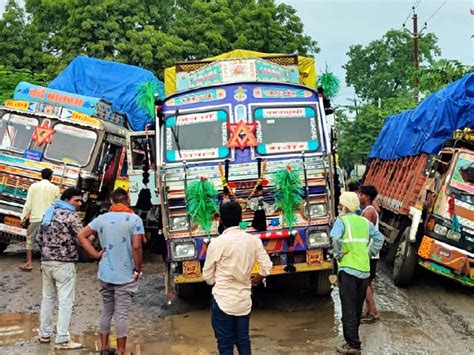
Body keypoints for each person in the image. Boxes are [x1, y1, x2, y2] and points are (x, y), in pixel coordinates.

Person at [78, 188, 144, 355]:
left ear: (112, 202)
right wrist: (138, 268)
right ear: (127, 200)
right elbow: (137, 247)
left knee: (107, 310)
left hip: (105, 272)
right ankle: (121, 351)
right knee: (121, 313)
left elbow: (81, 235)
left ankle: (105, 348)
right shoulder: (134, 219)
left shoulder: (101, 219)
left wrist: (94, 254)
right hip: (125, 273)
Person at [202, 200, 272, 355]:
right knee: (243, 341)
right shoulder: (253, 240)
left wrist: (217, 282)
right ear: (241, 219)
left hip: (222, 300)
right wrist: (254, 281)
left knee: (225, 344)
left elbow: (207, 275)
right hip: (244, 300)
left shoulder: (217, 243)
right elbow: (267, 268)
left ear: (220, 219)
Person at [331, 192, 384, 354]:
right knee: (356, 307)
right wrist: (368, 253)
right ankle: (353, 340)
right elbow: (379, 238)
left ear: (345, 206)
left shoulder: (341, 221)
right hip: (363, 271)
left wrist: (338, 254)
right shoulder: (364, 222)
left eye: (341, 204)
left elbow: (334, 239)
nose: (339, 207)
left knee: (348, 309)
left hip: (348, 270)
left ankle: (353, 345)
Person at [36, 187, 84, 349]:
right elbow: (82, 237)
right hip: (64, 263)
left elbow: (38, 238)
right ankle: (62, 339)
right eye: (76, 200)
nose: (79, 203)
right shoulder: (71, 216)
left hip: (46, 261)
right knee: (65, 301)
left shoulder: (49, 213)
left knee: (48, 298)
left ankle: (44, 334)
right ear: (67, 199)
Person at [20, 168, 60, 271]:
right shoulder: (55, 188)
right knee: (46, 241)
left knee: (30, 239)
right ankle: (44, 265)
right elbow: (56, 206)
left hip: (35, 217)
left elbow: (28, 203)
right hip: (48, 219)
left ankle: (29, 263)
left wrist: (23, 217)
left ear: (41, 175)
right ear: (51, 176)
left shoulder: (33, 186)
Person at [358, 185, 380, 324]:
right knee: (368, 283)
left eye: (361, 195)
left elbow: (364, 233)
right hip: (372, 253)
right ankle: (368, 311)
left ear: (367, 197)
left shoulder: (368, 212)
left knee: (364, 283)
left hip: (368, 252)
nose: (359, 197)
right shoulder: (371, 210)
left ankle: (373, 312)